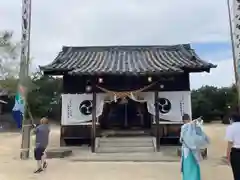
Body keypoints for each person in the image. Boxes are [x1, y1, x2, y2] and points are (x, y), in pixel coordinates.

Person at [180, 114, 209, 180]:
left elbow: (199, 132)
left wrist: (195, 122)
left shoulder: (191, 126)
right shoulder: (185, 126)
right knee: (191, 166)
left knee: (191, 167)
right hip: (188, 149)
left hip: (191, 150)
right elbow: (184, 138)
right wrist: (193, 122)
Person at [225, 113, 240, 180]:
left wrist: (228, 156)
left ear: (231, 119)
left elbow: (230, 143)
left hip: (236, 153)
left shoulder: (231, 127)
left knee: (237, 173)